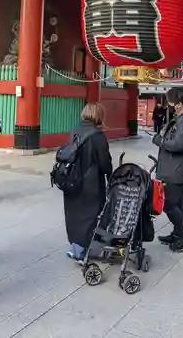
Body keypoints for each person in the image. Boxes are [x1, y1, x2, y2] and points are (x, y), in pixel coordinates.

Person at [64, 103, 112, 263]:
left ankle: (76, 247)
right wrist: (111, 178)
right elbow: (105, 162)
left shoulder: (74, 131)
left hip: (71, 181)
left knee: (74, 215)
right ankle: (83, 250)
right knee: (90, 216)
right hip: (90, 185)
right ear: (99, 116)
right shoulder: (97, 135)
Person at [152, 87, 183, 252]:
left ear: (178, 104)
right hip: (173, 169)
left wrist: (159, 141)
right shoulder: (181, 119)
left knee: (168, 203)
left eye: (170, 102)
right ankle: (178, 233)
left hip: (177, 170)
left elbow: (178, 144)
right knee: (177, 204)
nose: (169, 105)